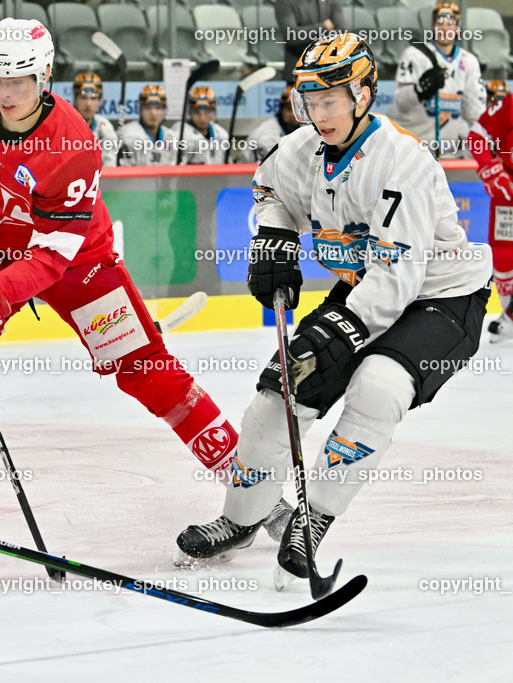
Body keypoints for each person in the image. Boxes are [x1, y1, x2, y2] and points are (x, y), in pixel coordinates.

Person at [0, 18, 270, 539]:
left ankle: (254, 493)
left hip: (76, 261)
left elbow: (48, 261)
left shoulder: (73, 145)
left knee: (146, 369)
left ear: (44, 76)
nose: (6, 94)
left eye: (19, 81)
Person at [175, 35, 492, 587]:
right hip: (365, 286)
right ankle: (242, 518)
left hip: (442, 297)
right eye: (309, 101)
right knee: (279, 395)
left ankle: (313, 517)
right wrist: (274, 237)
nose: (318, 114)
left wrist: (340, 333)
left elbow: (400, 276)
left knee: (377, 386)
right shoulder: (301, 150)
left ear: (364, 95)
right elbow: (271, 191)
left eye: (330, 101)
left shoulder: (402, 162)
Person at [388, 2, 486, 159]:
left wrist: (492, 139)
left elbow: (475, 113)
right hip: (409, 151)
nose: (444, 28)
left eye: (450, 23)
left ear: (458, 28)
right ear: (433, 27)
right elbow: (400, 102)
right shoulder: (414, 54)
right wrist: (420, 90)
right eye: (439, 23)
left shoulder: (469, 61)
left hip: (446, 155)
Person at [468, 82, 513, 343]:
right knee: (505, 256)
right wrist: (492, 170)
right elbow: (477, 135)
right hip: (508, 193)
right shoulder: (509, 106)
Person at [275, 0, 343, 77]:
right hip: (298, 72)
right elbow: (292, 35)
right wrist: (324, 27)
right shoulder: (284, 2)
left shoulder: (331, 2)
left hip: (329, 71)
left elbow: (341, 31)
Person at [238, 84, 301, 163]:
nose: (292, 114)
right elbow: (266, 171)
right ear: (281, 111)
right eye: (288, 109)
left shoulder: (294, 128)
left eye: (297, 110)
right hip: (247, 174)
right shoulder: (268, 136)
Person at [118, 85, 177, 166]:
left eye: (158, 108)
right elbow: (126, 175)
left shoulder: (171, 137)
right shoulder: (128, 135)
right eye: (148, 108)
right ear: (140, 109)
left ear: (164, 110)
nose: (153, 113)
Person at [172, 86, 230, 165]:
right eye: (196, 112)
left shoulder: (222, 134)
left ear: (213, 112)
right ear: (189, 112)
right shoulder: (180, 134)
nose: (202, 118)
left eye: (207, 111)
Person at [71, 72, 118, 167]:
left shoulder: (105, 128)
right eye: (83, 98)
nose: (88, 103)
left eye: (93, 98)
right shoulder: (63, 125)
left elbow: (110, 166)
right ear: (75, 100)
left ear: (99, 102)